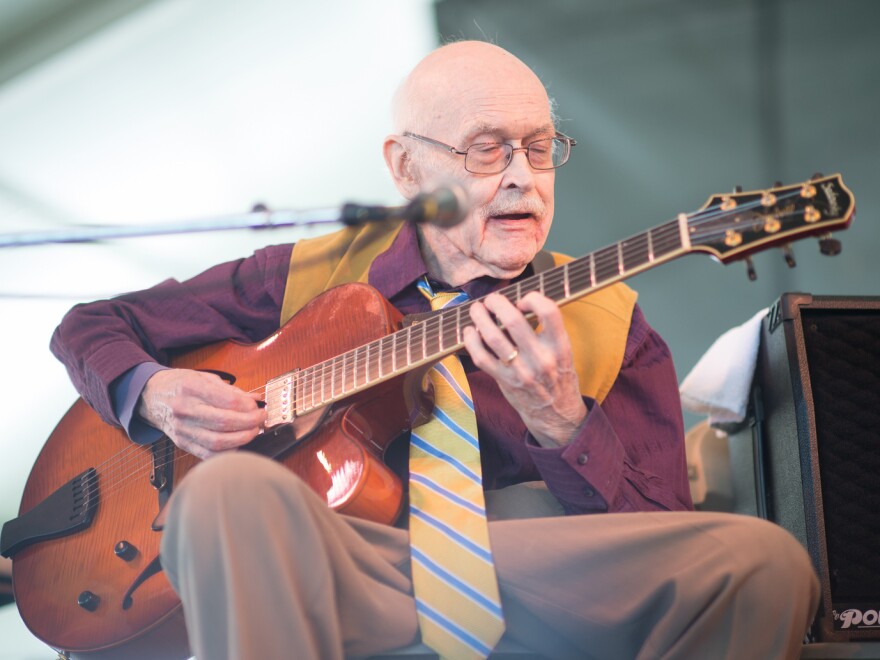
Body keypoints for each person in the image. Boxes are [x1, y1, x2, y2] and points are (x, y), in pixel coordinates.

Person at [51, 41, 818, 659]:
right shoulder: (307, 275)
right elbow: (91, 325)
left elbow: (659, 538)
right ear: (406, 166)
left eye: (540, 149)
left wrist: (561, 424)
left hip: (528, 576)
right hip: (348, 564)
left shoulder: (611, 319)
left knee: (763, 565)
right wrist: (151, 391)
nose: (523, 178)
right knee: (219, 496)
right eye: (488, 151)